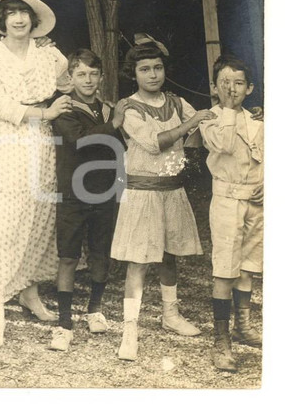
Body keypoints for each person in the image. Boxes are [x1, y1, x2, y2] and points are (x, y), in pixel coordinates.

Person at [0, 0, 73, 350]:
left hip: (43, 143)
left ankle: (30, 294)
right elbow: (0, 104)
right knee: (5, 222)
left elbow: (66, 76)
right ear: (1, 19)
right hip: (9, 141)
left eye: (24, 13)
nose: (18, 19)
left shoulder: (48, 55)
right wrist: (45, 112)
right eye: (12, 12)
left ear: (34, 20)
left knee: (39, 216)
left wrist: (54, 108)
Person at [111, 34, 216, 361]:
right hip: (143, 193)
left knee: (170, 255)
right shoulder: (129, 108)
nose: (153, 74)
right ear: (134, 73)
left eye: (157, 67)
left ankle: (170, 315)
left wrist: (202, 129)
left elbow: (195, 142)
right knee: (139, 262)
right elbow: (155, 142)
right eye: (145, 69)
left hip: (173, 190)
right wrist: (194, 121)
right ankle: (130, 329)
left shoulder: (177, 102)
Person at [48, 49, 127, 352]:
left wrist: (115, 124)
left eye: (94, 74)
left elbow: (119, 147)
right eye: (81, 74)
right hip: (73, 191)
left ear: (102, 77)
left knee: (100, 253)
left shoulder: (106, 109)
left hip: (104, 190)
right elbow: (80, 141)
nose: (88, 80)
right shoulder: (65, 108)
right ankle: (64, 323)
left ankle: (95, 309)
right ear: (71, 76)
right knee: (68, 256)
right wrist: (115, 124)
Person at [199, 55, 263, 372]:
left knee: (248, 267)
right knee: (225, 268)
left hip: (256, 202)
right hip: (226, 200)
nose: (232, 89)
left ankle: (244, 325)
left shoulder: (258, 122)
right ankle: (221, 340)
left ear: (249, 87)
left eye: (238, 83)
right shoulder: (210, 120)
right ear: (215, 87)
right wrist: (225, 108)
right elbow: (223, 145)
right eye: (225, 82)